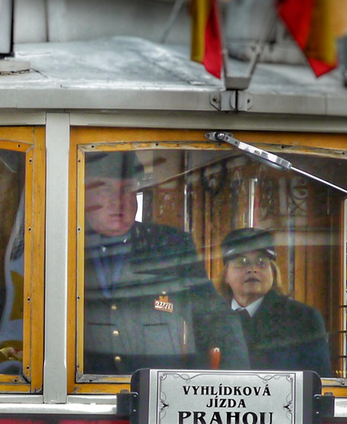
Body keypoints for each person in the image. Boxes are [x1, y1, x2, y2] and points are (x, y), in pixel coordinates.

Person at [79, 152, 248, 375]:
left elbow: (215, 319)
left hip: (159, 391)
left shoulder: (169, 245)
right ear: (83, 193)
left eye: (128, 189)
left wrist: (235, 385)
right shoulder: (65, 244)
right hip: (84, 389)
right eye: (106, 189)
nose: (119, 201)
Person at [217, 226, 332, 375]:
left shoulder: (304, 319)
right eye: (242, 261)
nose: (252, 269)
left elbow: (318, 384)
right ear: (226, 274)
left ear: (273, 271)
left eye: (261, 262)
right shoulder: (210, 319)